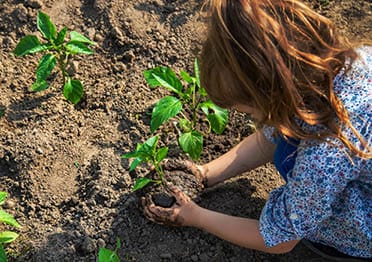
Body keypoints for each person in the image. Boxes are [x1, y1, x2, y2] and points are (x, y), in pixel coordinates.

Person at [141, 0, 371, 260]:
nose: (251, 118)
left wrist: (197, 217)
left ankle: (348, 241)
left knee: (295, 169)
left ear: (274, 96)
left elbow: (279, 240)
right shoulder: (350, 62)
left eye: (248, 111)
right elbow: (276, 133)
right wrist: (204, 174)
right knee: (288, 143)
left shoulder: (323, 155)